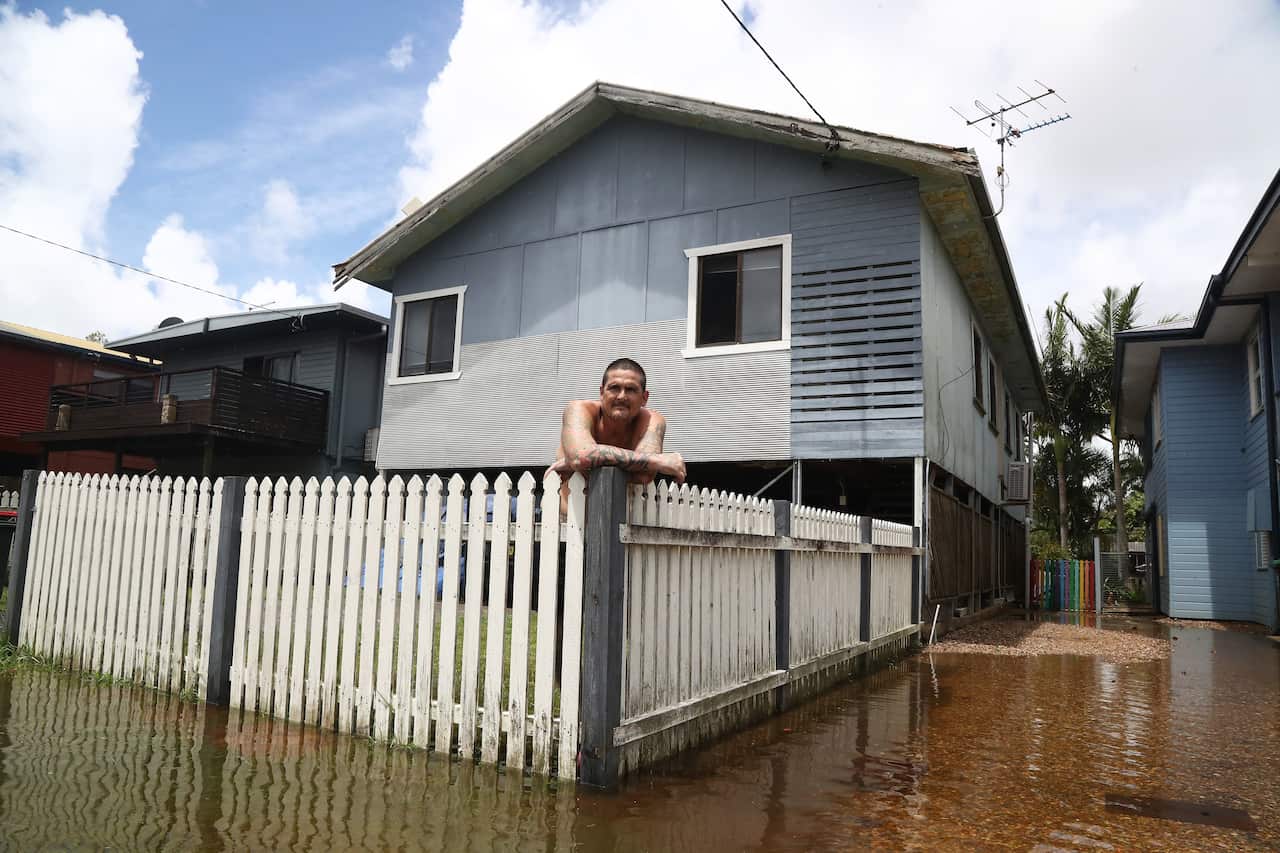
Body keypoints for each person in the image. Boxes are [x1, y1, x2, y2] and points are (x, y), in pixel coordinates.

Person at [547, 357, 686, 488]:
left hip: (624, 512)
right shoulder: (578, 409)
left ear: (644, 397)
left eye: (631, 389)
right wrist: (655, 461)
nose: (621, 396)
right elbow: (581, 456)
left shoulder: (652, 419)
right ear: (602, 393)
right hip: (568, 512)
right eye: (614, 388)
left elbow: (644, 476)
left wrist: (584, 461)